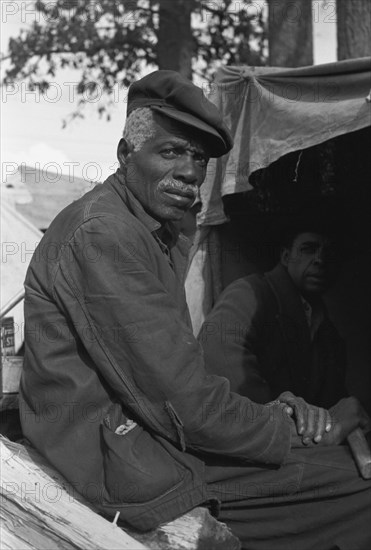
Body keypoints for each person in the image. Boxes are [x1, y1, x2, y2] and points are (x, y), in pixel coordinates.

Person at [20, 71, 371, 550]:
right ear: (125, 155)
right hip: (114, 454)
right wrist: (299, 428)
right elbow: (183, 405)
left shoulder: (152, 231)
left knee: (343, 469)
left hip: (145, 436)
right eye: (170, 152)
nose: (189, 171)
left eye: (199, 158)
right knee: (355, 484)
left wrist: (278, 412)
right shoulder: (106, 233)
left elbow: (179, 384)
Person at [199, 219, 350, 413]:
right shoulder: (249, 294)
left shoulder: (328, 332)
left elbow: (332, 402)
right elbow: (222, 366)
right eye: (308, 249)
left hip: (302, 439)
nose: (320, 260)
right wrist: (279, 424)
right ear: (286, 257)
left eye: (330, 253)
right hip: (259, 433)